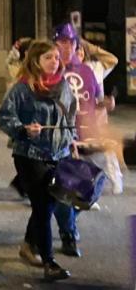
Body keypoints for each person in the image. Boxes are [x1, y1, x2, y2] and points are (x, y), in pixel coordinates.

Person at [0, 39, 76, 281]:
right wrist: (23, 129)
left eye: (55, 57)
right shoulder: (22, 89)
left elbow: (70, 116)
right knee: (43, 206)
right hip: (30, 155)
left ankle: (29, 244)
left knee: (48, 206)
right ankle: (49, 261)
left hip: (58, 154)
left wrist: (72, 140)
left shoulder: (63, 86)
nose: (54, 62)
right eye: (48, 58)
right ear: (35, 62)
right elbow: (4, 117)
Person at [51, 23, 114, 257]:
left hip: (87, 137)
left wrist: (106, 104)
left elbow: (94, 100)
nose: (66, 48)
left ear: (76, 45)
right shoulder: (51, 70)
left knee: (92, 187)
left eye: (69, 43)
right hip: (61, 138)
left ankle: (67, 225)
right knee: (63, 190)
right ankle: (67, 233)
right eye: (61, 43)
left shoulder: (87, 71)